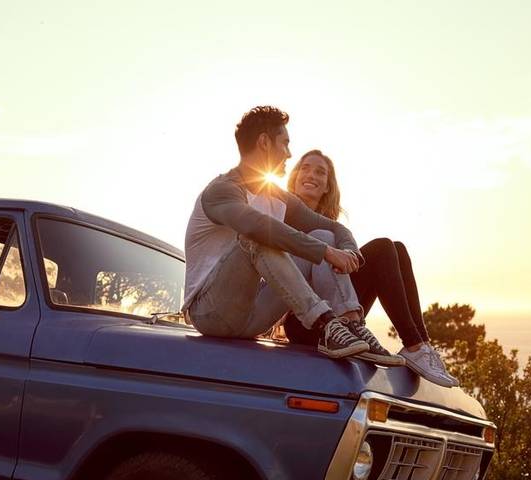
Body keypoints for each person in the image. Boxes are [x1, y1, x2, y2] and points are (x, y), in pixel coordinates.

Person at [183, 106, 392, 361]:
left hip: (255, 316)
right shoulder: (221, 191)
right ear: (264, 142)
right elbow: (256, 227)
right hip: (211, 312)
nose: (289, 153)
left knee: (322, 235)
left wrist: (348, 251)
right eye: (285, 143)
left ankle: (350, 322)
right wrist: (327, 253)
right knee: (260, 236)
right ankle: (324, 323)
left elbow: (334, 228)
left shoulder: (277, 196)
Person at [281, 149, 459, 387]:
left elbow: (345, 265)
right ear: (293, 177)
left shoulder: (333, 228)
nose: (311, 175)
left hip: (342, 318)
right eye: (305, 168)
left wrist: (347, 256)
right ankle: (415, 346)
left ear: (327, 186)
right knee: (382, 247)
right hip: (307, 322)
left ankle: (419, 344)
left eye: (320, 172)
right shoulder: (281, 214)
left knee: (396, 249)